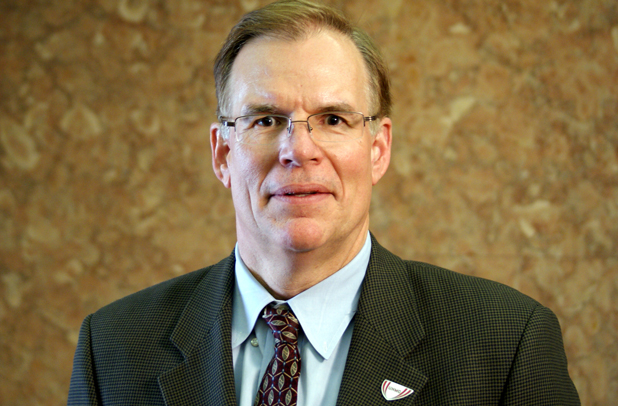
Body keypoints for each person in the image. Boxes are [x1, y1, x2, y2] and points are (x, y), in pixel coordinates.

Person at [67, 1, 580, 405]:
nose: (299, 150)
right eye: (266, 120)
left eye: (333, 119)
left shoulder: (505, 345)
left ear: (377, 150)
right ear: (223, 153)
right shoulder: (111, 349)